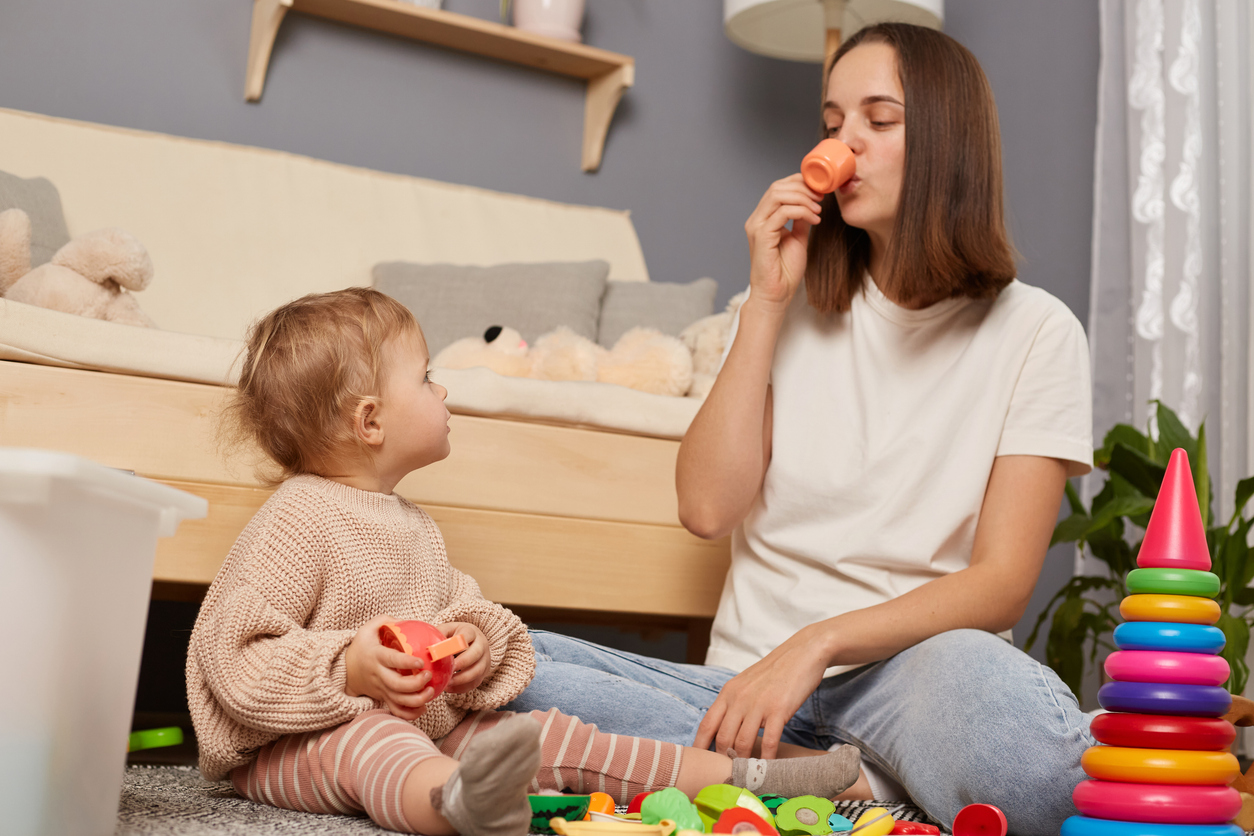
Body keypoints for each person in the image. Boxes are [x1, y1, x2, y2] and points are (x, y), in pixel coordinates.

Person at [504, 23, 1094, 836]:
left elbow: (1001, 580)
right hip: (746, 687)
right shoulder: (782, 305)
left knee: (1033, 771)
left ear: (948, 144)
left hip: (915, 679)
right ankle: (847, 788)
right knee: (507, 675)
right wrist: (768, 303)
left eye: (877, 121)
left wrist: (817, 644)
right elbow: (708, 508)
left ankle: (768, 782)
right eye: (830, 122)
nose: (842, 144)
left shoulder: (1038, 330)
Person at [185, 287, 864, 836]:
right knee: (373, 746)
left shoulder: (414, 528)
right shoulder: (298, 518)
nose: (442, 392)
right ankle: (456, 808)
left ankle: (746, 779)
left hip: (423, 731)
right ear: (370, 422)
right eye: (425, 379)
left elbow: (474, 614)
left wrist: (476, 646)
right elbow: (233, 657)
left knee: (549, 734)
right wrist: (348, 668)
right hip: (297, 747)